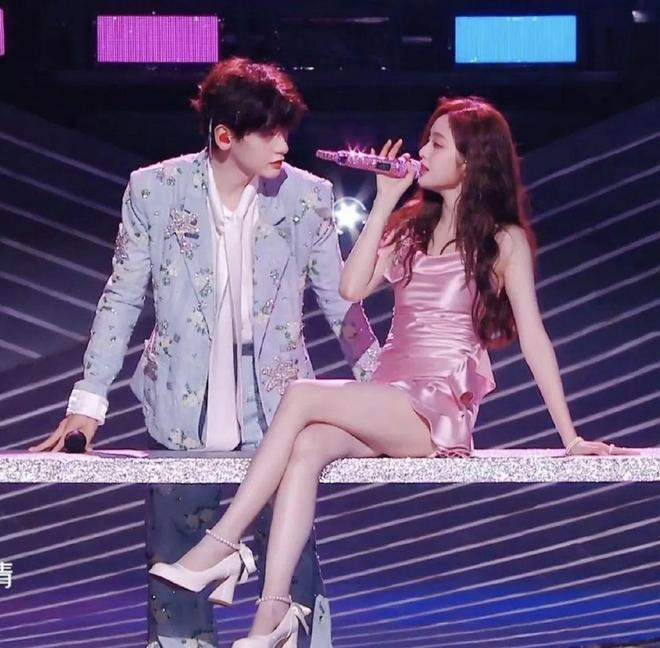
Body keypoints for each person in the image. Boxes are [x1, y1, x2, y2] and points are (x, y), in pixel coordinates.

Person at [149, 96, 633, 648]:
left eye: (437, 144)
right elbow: (350, 288)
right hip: (389, 394)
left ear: (471, 160)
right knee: (308, 445)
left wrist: (570, 437)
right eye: (426, 140)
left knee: (302, 395)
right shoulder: (410, 228)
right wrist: (383, 202)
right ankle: (273, 614)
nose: (421, 152)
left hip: (436, 408)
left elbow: (535, 340)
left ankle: (224, 544)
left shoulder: (503, 240)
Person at [30, 57, 380, 648]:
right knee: (177, 582)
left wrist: (386, 392)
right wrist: (88, 404)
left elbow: (341, 306)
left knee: (292, 582)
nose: (283, 144)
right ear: (224, 135)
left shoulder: (307, 198)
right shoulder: (155, 191)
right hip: (179, 415)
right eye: (269, 131)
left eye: (286, 130)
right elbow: (121, 298)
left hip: (280, 419)